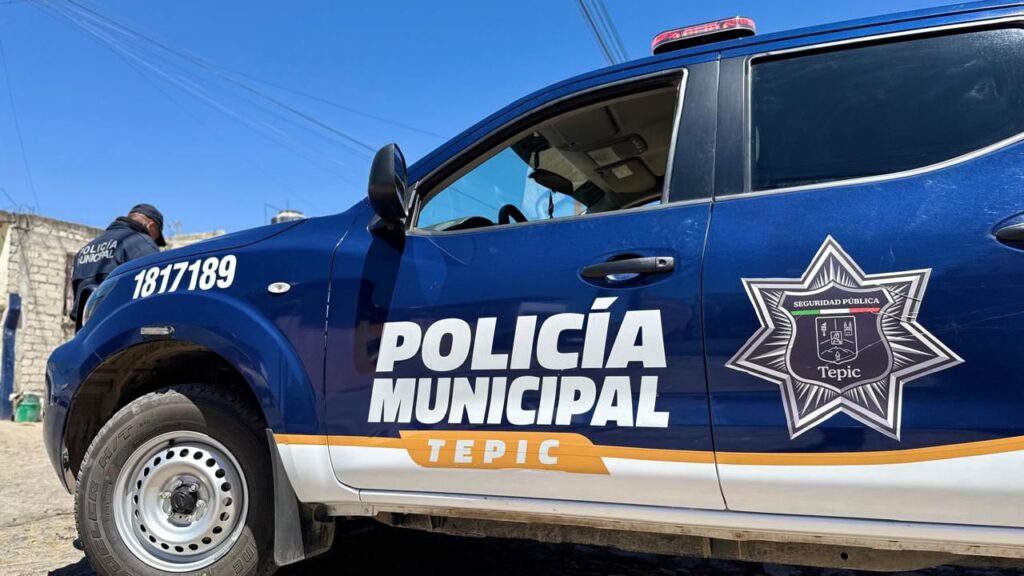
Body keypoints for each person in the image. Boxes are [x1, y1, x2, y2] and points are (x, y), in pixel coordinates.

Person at [70, 203, 167, 329]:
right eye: (155, 238)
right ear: (151, 226)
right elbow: (157, 297)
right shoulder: (141, 242)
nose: (154, 242)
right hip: (119, 331)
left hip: (85, 333)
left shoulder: (84, 250)